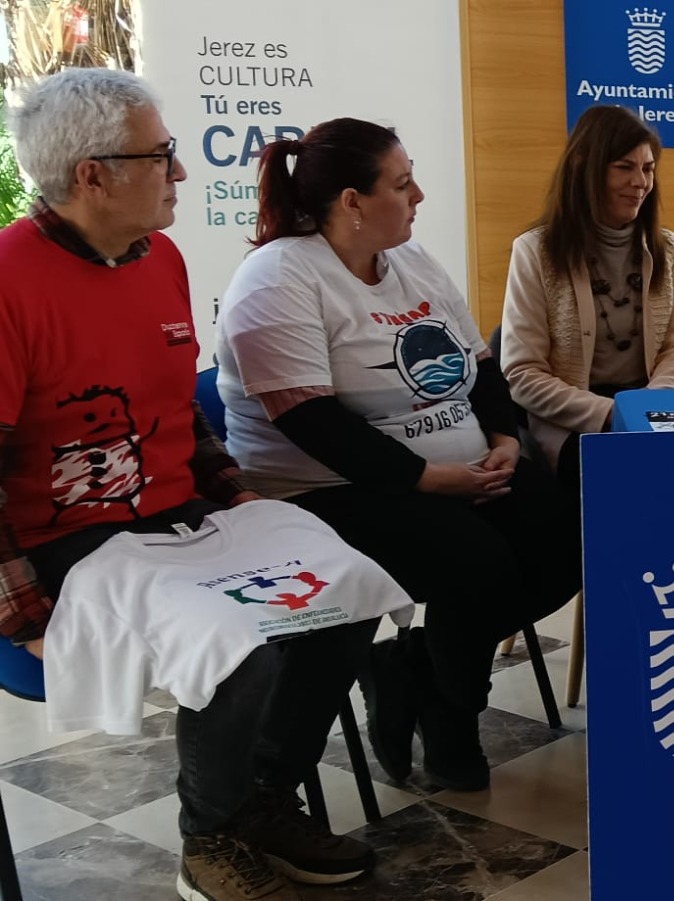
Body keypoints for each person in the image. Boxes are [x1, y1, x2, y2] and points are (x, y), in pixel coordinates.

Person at [1, 68, 376, 901]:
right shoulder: (7, 280)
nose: (180, 170)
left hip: (180, 513)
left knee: (344, 595)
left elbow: (180, 412)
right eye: (160, 155)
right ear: (93, 176)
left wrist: (236, 494)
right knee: (237, 641)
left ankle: (259, 796)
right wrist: (23, 615)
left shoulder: (161, 257)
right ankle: (208, 835)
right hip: (69, 541)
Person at [216, 118, 582, 792]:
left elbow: (480, 365)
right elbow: (311, 422)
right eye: (402, 183)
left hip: (451, 471)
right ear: (352, 201)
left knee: (571, 533)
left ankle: (414, 666)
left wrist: (504, 438)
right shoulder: (278, 277)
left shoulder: (412, 261)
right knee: (476, 561)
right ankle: (453, 715)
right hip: (323, 492)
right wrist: (428, 478)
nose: (418, 196)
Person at [502, 104, 674, 485]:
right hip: (572, 420)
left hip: (649, 410)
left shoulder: (671, 250)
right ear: (584, 168)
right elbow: (522, 374)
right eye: (624, 167)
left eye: (648, 169)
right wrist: (612, 415)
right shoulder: (534, 252)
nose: (640, 182)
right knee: (620, 478)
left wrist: (649, 407)